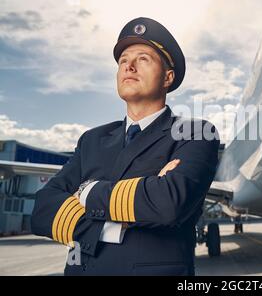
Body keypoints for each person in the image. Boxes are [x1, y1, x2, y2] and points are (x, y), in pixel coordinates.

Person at [31, 17, 220, 276]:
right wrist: (111, 227)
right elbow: (43, 209)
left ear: (168, 77)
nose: (129, 66)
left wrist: (86, 192)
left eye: (143, 59)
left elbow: (168, 203)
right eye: (122, 61)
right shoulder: (92, 139)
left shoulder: (195, 133)